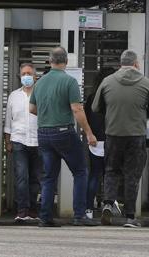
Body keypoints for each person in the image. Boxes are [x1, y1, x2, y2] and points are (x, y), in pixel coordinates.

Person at [29, 47, 99, 227]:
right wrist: (89, 133)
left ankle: (45, 217)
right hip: (64, 133)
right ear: (66, 62)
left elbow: (31, 109)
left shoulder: (39, 83)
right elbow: (77, 109)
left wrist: (49, 116)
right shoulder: (69, 82)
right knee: (81, 171)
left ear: (50, 61)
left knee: (49, 176)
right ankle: (79, 215)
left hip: (43, 133)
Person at [92, 49, 149, 228]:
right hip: (136, 135)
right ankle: (130, 217)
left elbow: (95, 107)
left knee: (111, 170)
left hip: (113, 134)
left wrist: (112, 114)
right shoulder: (146, 83)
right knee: (132, 174)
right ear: (136, 64)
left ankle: (108, 203)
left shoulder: (107, 82)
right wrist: (140, 115)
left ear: (120, 64)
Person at [4, 63, 40, 221]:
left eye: (29, 73)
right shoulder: (14, 96)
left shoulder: (40, 94)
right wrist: (7, 141)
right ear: (20, 76)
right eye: (24, 73)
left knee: (36, 178)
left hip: (38, 141)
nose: (26, 76)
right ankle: (22, 210)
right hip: (18, 140)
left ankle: (33, 209)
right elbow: (8, 121)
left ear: (35, 76)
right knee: (21, 176)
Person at [83, 67, 115, 219]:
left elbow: (86, 118)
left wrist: (90, 134)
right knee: (110, 175)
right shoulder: (113, 97)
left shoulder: (91, 98)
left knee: (94, 175)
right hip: (111, 140)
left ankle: (88, 208)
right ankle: (107, 205)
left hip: (94, 141)